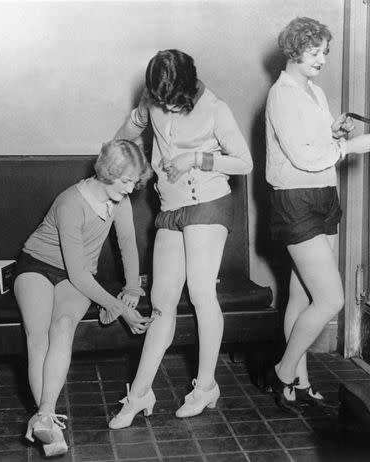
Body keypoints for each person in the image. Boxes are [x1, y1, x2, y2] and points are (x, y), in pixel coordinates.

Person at [109, 49, 253, 429]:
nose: (168, 108)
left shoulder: (215, 109)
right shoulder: (153, 98)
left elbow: (244, 162)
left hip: (208, 201)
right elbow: (130, 132)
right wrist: (126, 136)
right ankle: (140, 393)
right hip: (170, 205)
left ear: (189, 86)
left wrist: (197, 159)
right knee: (161, 301)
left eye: (174, 101)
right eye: (161, 101)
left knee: (202, 292)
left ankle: (205, 386)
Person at [265, 17, 370, 414]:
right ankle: (281, 372)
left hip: (323, 196)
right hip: (295, 201)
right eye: (314, 52)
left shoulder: (312, 92)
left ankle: (299, 381)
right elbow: (301, 156)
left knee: (301, 295)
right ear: (294, 51)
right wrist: (351, 147)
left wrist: (334, 133)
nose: (322, 59)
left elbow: (315, 145)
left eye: (325, 52)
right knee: (331, 299)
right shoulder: (282, 94)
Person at [15, 139, 153, 456]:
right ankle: (47, 418)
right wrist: (118, 308)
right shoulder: (70, 203)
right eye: (126, 180)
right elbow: (78, 274)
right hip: (37, 265)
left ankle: (43, 417)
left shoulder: (120, 201)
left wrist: (132, 287)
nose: (132, 188)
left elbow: (128, 246)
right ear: (108, 172)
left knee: (63, 325)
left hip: (75, 275)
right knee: (38, 336)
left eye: (135, 181)